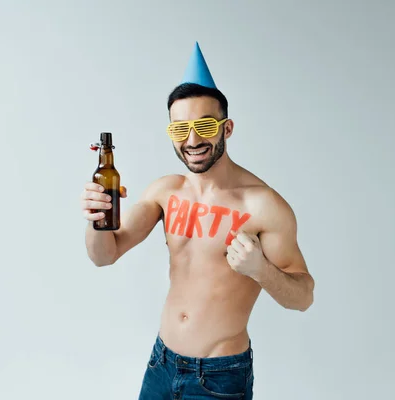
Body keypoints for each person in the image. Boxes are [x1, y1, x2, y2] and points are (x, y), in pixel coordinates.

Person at [81, 42, 315, 399]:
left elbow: (303, 298)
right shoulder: (166, 191)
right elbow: (104, 255)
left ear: (227, 128)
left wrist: (260, 269)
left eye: (205, 125)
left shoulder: (264, 205)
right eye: (180, 129)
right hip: (161, 363)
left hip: (219, 378)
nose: (192, 140)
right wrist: (97, 218)